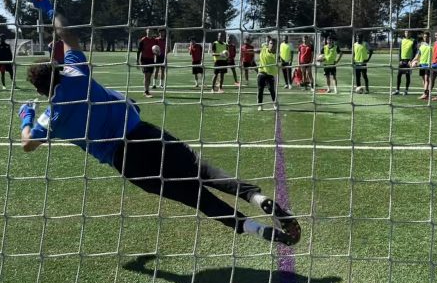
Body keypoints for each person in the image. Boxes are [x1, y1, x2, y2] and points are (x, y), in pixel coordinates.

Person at [17, 15, 301, 247]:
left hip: (125, 162)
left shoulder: (52, 118)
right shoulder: (76, 75)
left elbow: (27, 144)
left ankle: (253, 229)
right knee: (203, 172)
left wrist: (26, 117)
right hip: (145, 134)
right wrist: (49, 8)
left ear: (41, 91)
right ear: (58, 71)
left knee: (196, 199)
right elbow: (69, 37)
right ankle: (257, 198)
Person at [257, 36, 278, 110]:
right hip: (261, 72)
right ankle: (260, 105)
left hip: (270, 74)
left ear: (276, 45)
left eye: (274, 44)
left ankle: (275, 104)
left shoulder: (276, 55)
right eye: (271, 43)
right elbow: (259, 49)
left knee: (271, 89)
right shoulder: (263, 48)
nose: (272, 45)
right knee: (260, 89)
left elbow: (281, 63)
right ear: (268, 44)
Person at [136, 28, 158, 98]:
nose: (149, 33)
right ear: (146, 32)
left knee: (149, 76)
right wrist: (137, 61)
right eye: (148, 32)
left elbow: (157, 50)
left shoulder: (154, 41)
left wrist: (157, 53)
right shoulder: (143, 40)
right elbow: (139, 51)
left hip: (151, 59)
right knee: (146, 75)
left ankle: (147, 90)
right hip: (144, 60)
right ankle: (146, 91)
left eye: (151, 32)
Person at [394, 30, 416, 95]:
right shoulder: (402, 40)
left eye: (408, 32)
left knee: (407, 75)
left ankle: (406, 90)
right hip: (402, 60)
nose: (407, 34)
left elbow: (414, 51)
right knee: (398, 75)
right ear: (404, 33)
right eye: (406, 32)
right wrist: (400, 60)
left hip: (409, 61)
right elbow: (400, 51)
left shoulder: (413, 40)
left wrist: (411, 60)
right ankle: (397, 90)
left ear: (410, 33)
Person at [414, 31, 433, 100]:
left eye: (427, 37)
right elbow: (418, 54)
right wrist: (413, 61)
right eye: (424, 37)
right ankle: (426, 92)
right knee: (424, 80)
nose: (425, 38)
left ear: (429, 37)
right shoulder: (421, 45)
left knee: (426, 79)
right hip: (421, 64)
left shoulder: (432, 45)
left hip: (428, 65)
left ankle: (425, 94)